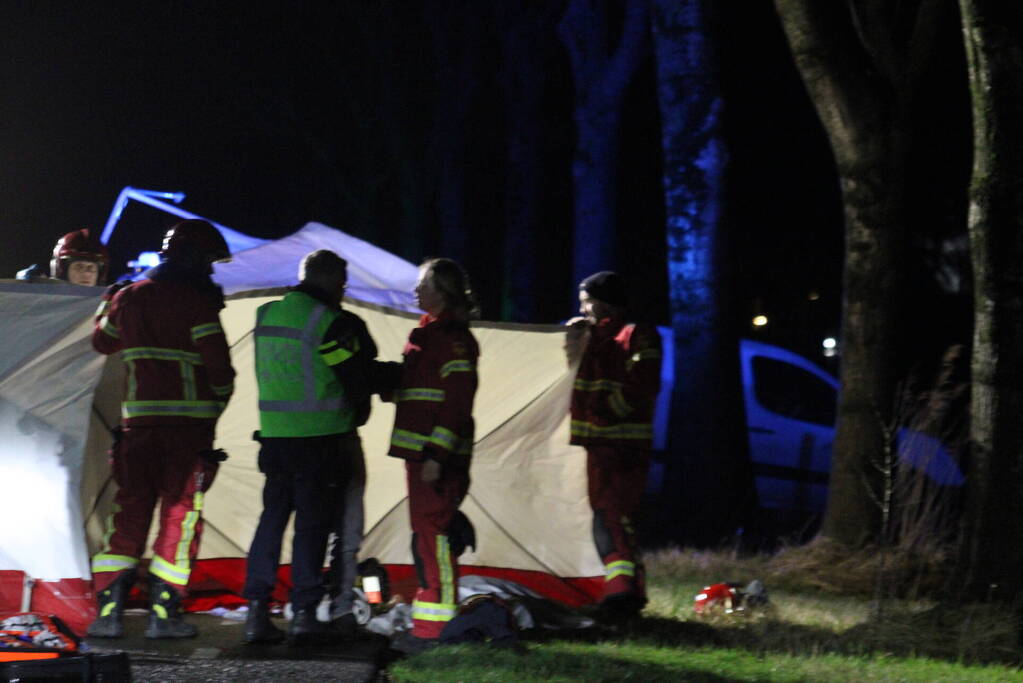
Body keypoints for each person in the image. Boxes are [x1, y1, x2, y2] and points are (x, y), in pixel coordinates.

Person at [86, 219, 236, 640]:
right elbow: (221, 371)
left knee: (129, 513)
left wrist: (107, 301)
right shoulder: (197, 303)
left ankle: (109, 613)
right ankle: (163, 616)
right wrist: (215, 408)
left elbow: (101, 342)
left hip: (137, 429)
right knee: (179, 518)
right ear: (193, 258)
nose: (211, 270)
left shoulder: (128, 297)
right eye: (208, 261)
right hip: (188, 434)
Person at [242, 249, 399, 644]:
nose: (343, 292)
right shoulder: (328, 322)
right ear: (331, 280)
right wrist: (395, 378)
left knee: (271, 522)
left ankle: (257, 612)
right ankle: (304, 614)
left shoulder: (267, 315)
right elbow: (355, 377)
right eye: (342, 284)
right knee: (311, 530)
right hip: (321, 441)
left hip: (275, 439)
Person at [387, 258, 480, 654]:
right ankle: (431, 624)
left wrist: (436, 454)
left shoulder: (453, 339)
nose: (416, 291)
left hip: (435, 458)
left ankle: (436, 630)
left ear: (444, 292)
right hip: (421, 455)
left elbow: (457, 403)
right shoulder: (428, 333)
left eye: (424, 285)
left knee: (435, 539)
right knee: (427, 537)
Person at [564, 271, 662, 619]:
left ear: (605, 303)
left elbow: (643, 383)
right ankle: (629, 592)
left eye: (587, 302)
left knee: (611, 516)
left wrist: (608, 411)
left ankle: (621, 594)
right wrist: (573, 340)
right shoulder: (591, 336)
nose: (583, 309)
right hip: (598, 443)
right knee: (615, 518)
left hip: (622, 444)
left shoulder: (637, 335)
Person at [16, 228, 109, 285]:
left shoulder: (109, 305)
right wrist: (22, 286)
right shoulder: (48, 298)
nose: (86, 274)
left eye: (91, 268)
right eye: (79, 267)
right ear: (63, 270)